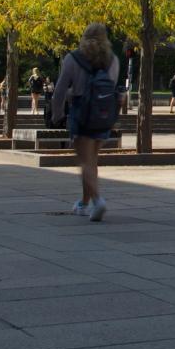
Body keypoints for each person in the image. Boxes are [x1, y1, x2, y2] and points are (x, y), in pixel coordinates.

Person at [51, 23, 120, 222]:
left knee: (84, 161)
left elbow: (60, 90)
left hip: (81, 113)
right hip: (103, 114)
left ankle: (98, 201)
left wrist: (57, 115)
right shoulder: (113, 60)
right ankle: (84, 202)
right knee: (92, 160)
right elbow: (111, 86)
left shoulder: (73, 58)